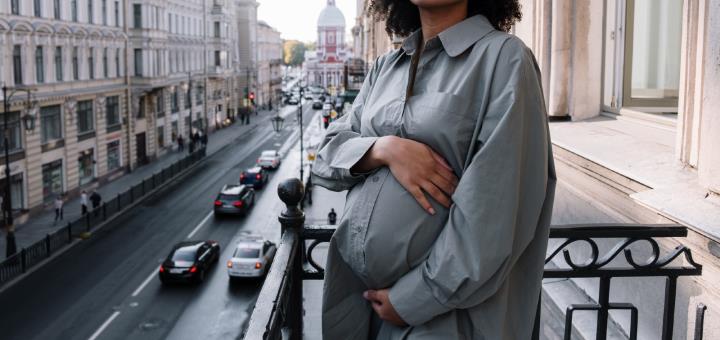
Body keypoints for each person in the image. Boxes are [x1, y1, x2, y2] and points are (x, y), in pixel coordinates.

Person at [311, 1, 556, 339]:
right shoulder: (386, 66)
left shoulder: (504, 59)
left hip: (442, 319)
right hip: (359, 305)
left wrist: (412, 299)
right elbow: (325, 158)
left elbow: (494, 215)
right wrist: (383, 149)